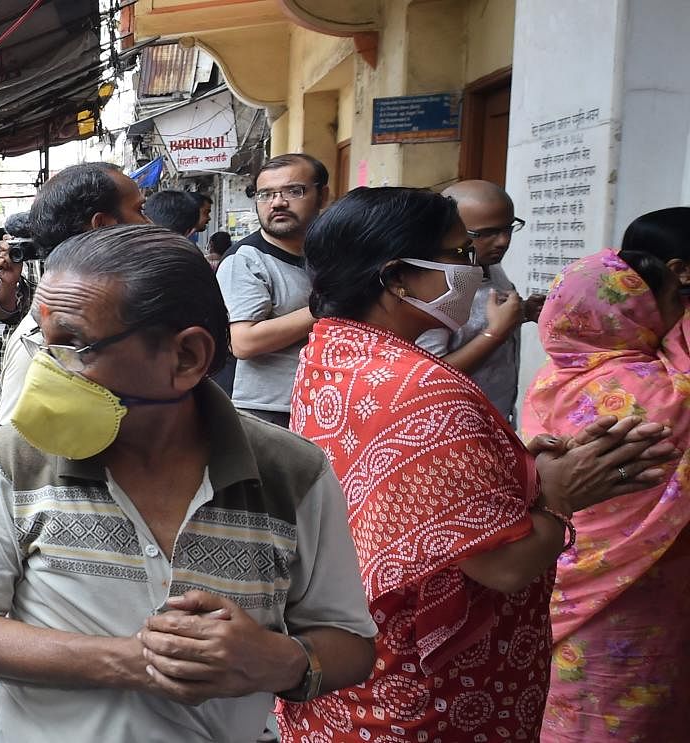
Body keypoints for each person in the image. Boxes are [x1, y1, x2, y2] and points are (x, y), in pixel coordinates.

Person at [0, 224, 378, 743]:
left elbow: (351, 645)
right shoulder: (17, 457)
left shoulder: (293, 473)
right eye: (44, 346)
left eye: (76, 346)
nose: (46, 373)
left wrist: (281, 661)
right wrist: (132, 661)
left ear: (186, 358)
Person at [280, 186, 679, 742]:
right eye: (457, 255)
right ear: (397, 275)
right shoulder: (422, 388)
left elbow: (414, 492)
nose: (474, 270)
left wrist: (521, 472)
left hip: (359, 654)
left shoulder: (335, 349)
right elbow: (504, 566)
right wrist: (560, 498)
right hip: (432, 687)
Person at [522, 237, 690, 740]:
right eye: (670, 302)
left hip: (557, 575)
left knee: (562, 704)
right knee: (622, 707)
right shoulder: (652, 389)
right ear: (629, 313)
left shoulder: (556, 374)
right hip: (633, 588)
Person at [0, 162, 149, 424]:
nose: (149, 224)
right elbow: (14, 451)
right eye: (139, 210)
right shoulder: (45, 345)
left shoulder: (118, 319)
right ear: (101, 225)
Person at [416, 180, 545, 424]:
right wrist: (496, 332)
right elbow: (431, 375)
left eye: (508, 228)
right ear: (449, 230)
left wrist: (523, 312)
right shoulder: (436, 285)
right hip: (455, 427)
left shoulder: (491, 266)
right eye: (486, 233)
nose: (503, 241)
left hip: (498, 419)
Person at [217, 153, 328, 427]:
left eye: (294, 191)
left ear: (323, 196)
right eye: (265, 194)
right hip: (263, 409)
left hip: (316, 401)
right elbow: (244, 342)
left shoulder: (327, 252)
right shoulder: (246, 260)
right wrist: (327, 307)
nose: (277, 202)